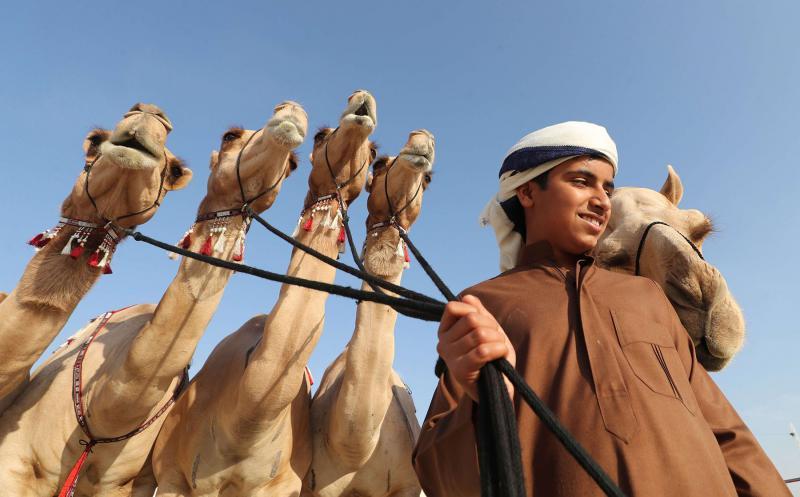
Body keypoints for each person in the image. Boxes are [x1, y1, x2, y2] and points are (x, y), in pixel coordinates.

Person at [412, 121, 790, 496]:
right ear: (527, 192)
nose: (601, 200)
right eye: (582, 181)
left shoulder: (646, 296)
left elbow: (728, 434)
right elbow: (440, 474)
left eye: (606, 187)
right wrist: (486, 403)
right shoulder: (483, 304)